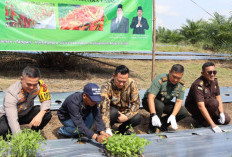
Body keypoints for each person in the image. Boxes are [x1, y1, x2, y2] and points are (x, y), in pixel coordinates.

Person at [0, 66, 52, 137]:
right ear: (22, 79)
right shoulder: (11, 93)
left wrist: (40, 114)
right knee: (3, 129)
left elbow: (46, 100)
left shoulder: (40, 85)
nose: (32, 87)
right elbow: (12, 119)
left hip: (26, 113)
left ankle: (33, 133)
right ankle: (9, 140)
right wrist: (19, 139)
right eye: (28, 84)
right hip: (9, 116)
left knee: (46, 113)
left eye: (34, 85)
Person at [185, 62, 231, 133]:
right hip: (196, 107)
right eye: (209, 72)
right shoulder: (198, 85)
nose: (212, 74)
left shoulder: (214, 81)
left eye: (214, 72)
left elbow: (218, 97)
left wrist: (221, 113)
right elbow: (201, 106)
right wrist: (212, 125)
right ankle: (201, 120)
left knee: (226, 120)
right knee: (214, 103)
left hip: (209, 105)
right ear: (202, 73)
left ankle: (209, 118)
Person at [142, 64, 188, 133]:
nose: (175, 80)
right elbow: (151, 97)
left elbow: (179, 101)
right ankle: (152, 128)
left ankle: (162, 124)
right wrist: (153, 115)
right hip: (149, 101)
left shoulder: (180, 85)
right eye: (174, 76)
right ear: (169, 72)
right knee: (160, 106)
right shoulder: (161, 79)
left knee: (183, 112)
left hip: (164, 103)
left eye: (178, 78)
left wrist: (173, 115)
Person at [100, 65, 141, 135]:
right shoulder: (106, 86)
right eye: (119, 81)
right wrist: (107, 128)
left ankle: (121, 130)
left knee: (137, 118)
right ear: (114, 76)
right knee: (113, 112)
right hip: (111, 113)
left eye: (124, 81)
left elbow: (136, 103)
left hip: (124, 113)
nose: (121, 84)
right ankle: (106, 130)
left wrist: (126, 116)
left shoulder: (132, 84)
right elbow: (104, 108)